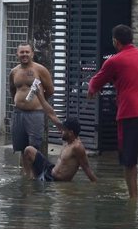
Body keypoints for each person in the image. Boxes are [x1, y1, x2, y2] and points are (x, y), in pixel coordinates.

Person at [87, 24, 138, 199]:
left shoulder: (115, 60)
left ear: (115, 41)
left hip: (129, 114)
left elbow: (96, 81)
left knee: (129, 158)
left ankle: (133, 198)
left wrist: (90, 91)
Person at [9, 42, 60, 178]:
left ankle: (37, 175)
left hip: (35, 113)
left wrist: (39, 101)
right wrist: (19, 102)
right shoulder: (14, 71)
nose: (24, 54)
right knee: (21, 147)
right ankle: (27, 176)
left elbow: (50, 90)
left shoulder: (40, 70)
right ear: (17, 54)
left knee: (33, 147)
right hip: (19, 113)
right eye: (22, 52)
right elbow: (12, 90)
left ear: (32, 53)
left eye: (27, 52)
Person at [22, 117, 97, 182]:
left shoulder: (77, 147)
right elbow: (51, 113)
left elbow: (87, 168)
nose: (61, 131)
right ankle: (30, 179)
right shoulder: (67, 141)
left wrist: (96, 185)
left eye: (64, 130)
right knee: (28, 150)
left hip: (54, 180)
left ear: (71, 132)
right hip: (50, 170)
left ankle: (36, 181)